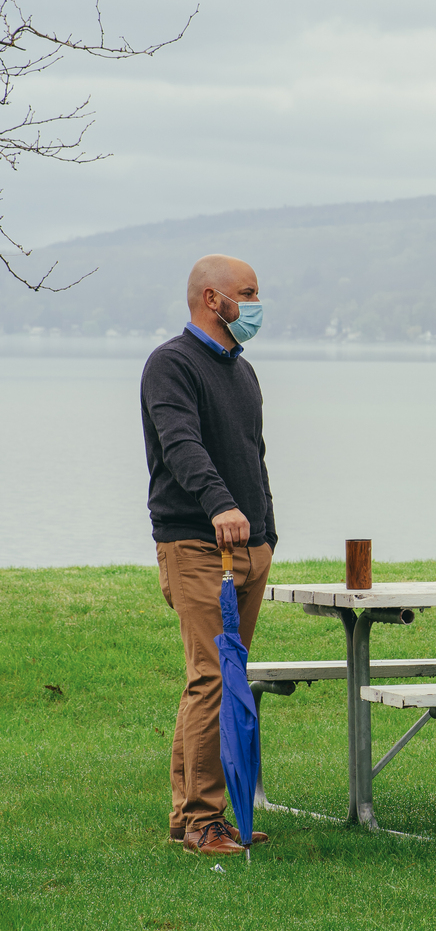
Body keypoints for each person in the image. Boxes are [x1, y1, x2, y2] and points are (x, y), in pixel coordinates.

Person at [140, 254, 276, 856]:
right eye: (247, 293)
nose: (255, 304)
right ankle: (203, 821)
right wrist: (221, 505)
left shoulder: (241, 370)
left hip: (251, 547)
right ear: (213, 298)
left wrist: (267, 531)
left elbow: (254, 452)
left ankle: (190, 816)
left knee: (224, 676)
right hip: (196, 542)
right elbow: (181, 445)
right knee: (212, 677)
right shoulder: (171, 364)